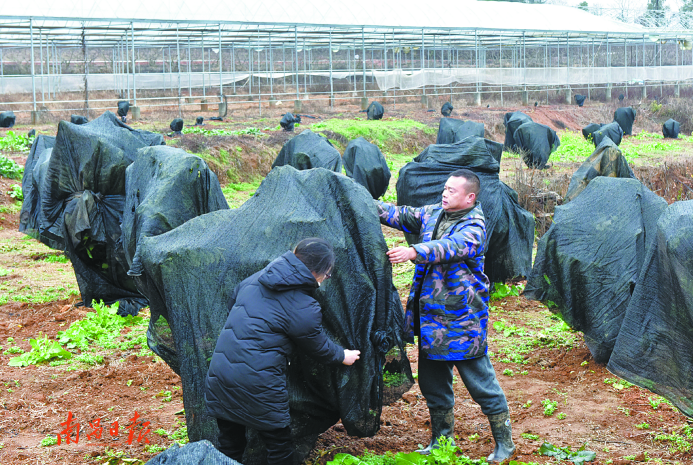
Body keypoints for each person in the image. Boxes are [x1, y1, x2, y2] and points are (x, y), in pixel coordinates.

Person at [376, 169, 515, 463]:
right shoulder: (433, 213)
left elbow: (451, 247)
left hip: (462, 320)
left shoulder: (475, 225)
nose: (445, 193)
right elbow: (398, 214)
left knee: (481, 385)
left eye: (452, 190)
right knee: (433, 384)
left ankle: (505, 443)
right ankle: (441, 439)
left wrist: (414, 251)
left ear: (470, 197)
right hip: (431, 320)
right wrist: (363, 202)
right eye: (445, 188)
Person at [204, 238, 361, 465]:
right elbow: (317, 346)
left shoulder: (254, 279)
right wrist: (342, 355)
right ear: (317, 272)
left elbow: (233, 307)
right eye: (327, 275)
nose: (326, 280)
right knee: (279, 447)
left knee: (230, 444)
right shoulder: (303, 305)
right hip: (259, 384)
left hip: (221, 376)